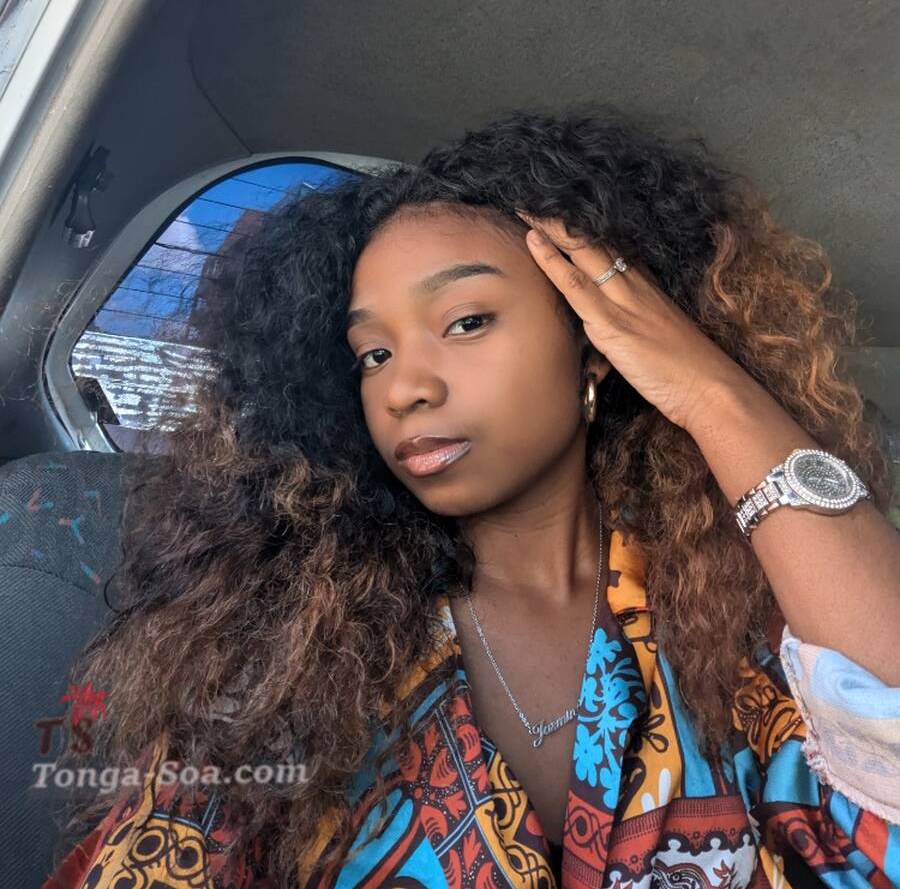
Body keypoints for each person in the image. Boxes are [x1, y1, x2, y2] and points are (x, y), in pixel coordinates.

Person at [42, 108, 900, 888]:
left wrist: (712, 394)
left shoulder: (736, 592)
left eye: (465, 322)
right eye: (372, 355)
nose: (404, 388)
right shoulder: (293, 631)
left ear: (596, 343)